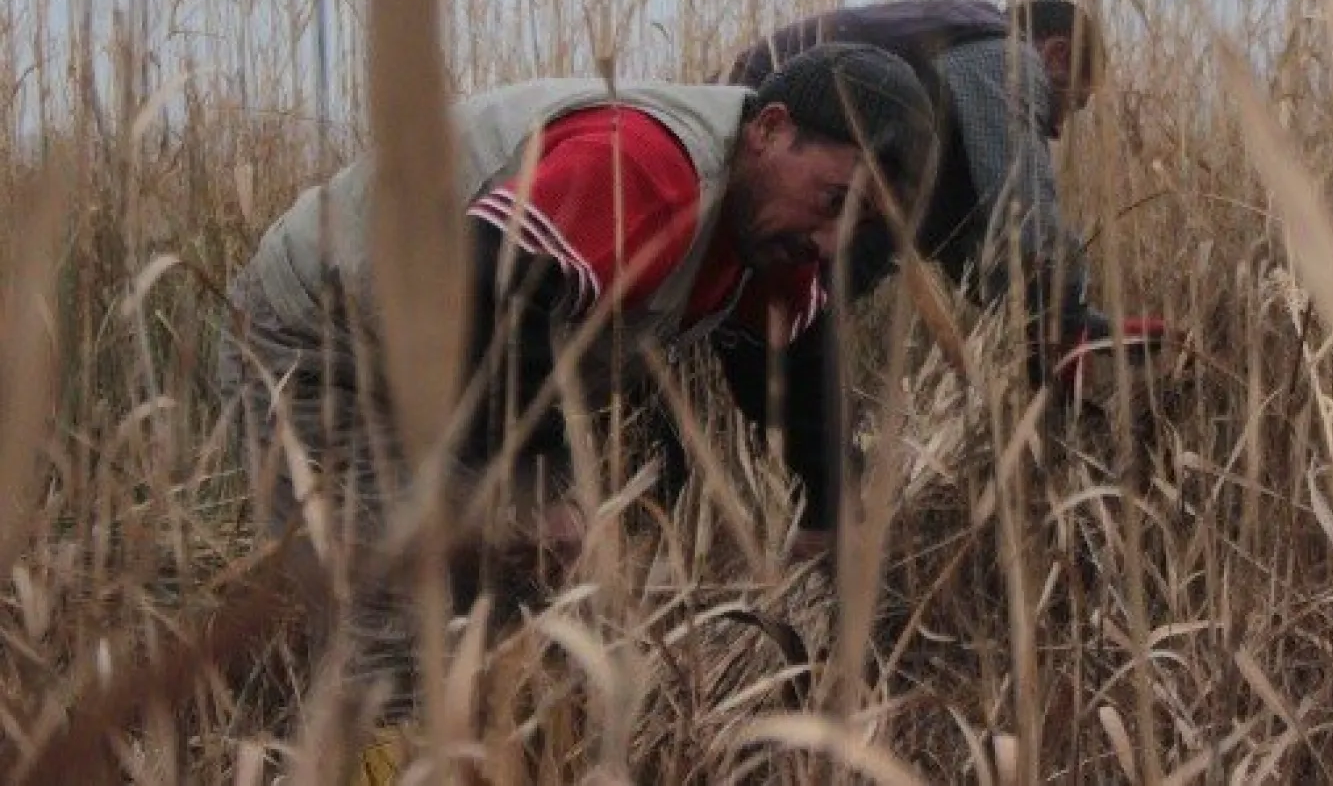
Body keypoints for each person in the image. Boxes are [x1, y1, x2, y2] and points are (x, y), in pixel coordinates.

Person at [216, 42, 936, 726]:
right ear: (770, 131)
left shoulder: (776, 236)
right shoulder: (647, 166)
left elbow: (793, 365)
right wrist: (538, 480)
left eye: (862, 222)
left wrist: (829, 505)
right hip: (324, 344)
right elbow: (482, 288)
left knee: (520, 616)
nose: (831, 242)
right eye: (835, 201)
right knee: (390, 635)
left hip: (460, 362)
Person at [728, 0, 1159, 396]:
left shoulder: (953, 108)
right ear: (1057, 55)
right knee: (851, 248)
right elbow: (1025, 211)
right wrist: (1066, 304)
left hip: (753, 129)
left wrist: (1087, 325)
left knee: (812, 284)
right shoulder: (1006, 55)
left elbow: (979, 256)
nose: (1059, 129)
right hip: (769, 132)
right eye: (1074, 102)